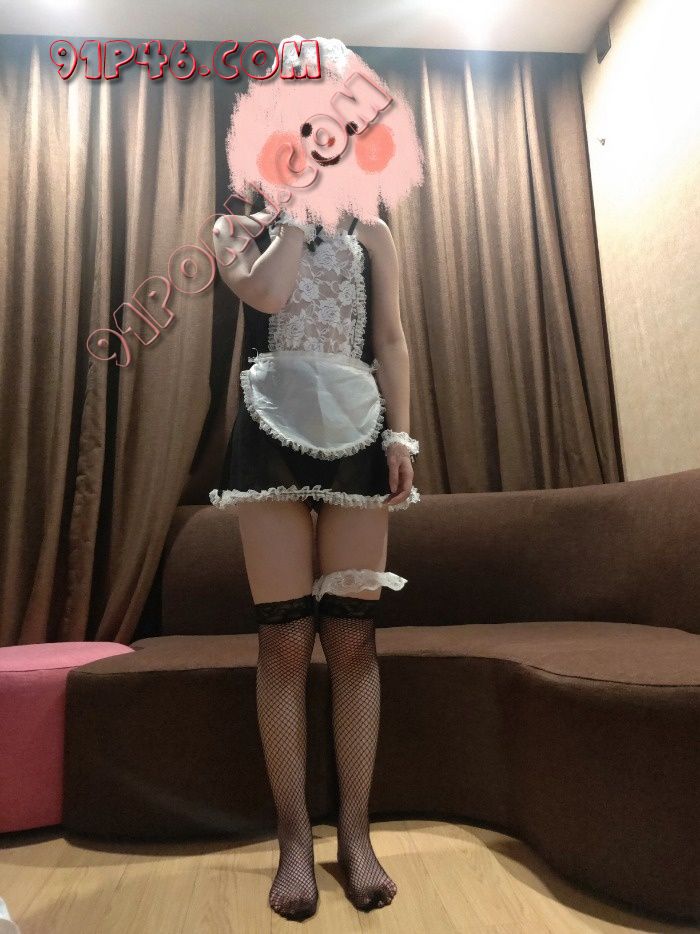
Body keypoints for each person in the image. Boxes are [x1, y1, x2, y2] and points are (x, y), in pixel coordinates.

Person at [209, 37, 421, 921]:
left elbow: (393, 338)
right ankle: (294, 840)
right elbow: (266, 297)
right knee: (286, 644)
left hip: (361, 429)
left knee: (356, 642)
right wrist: (292, 208)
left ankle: (356, 836)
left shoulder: (376, 231)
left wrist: (403, 435)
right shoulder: (238, 227)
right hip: (270, 430)